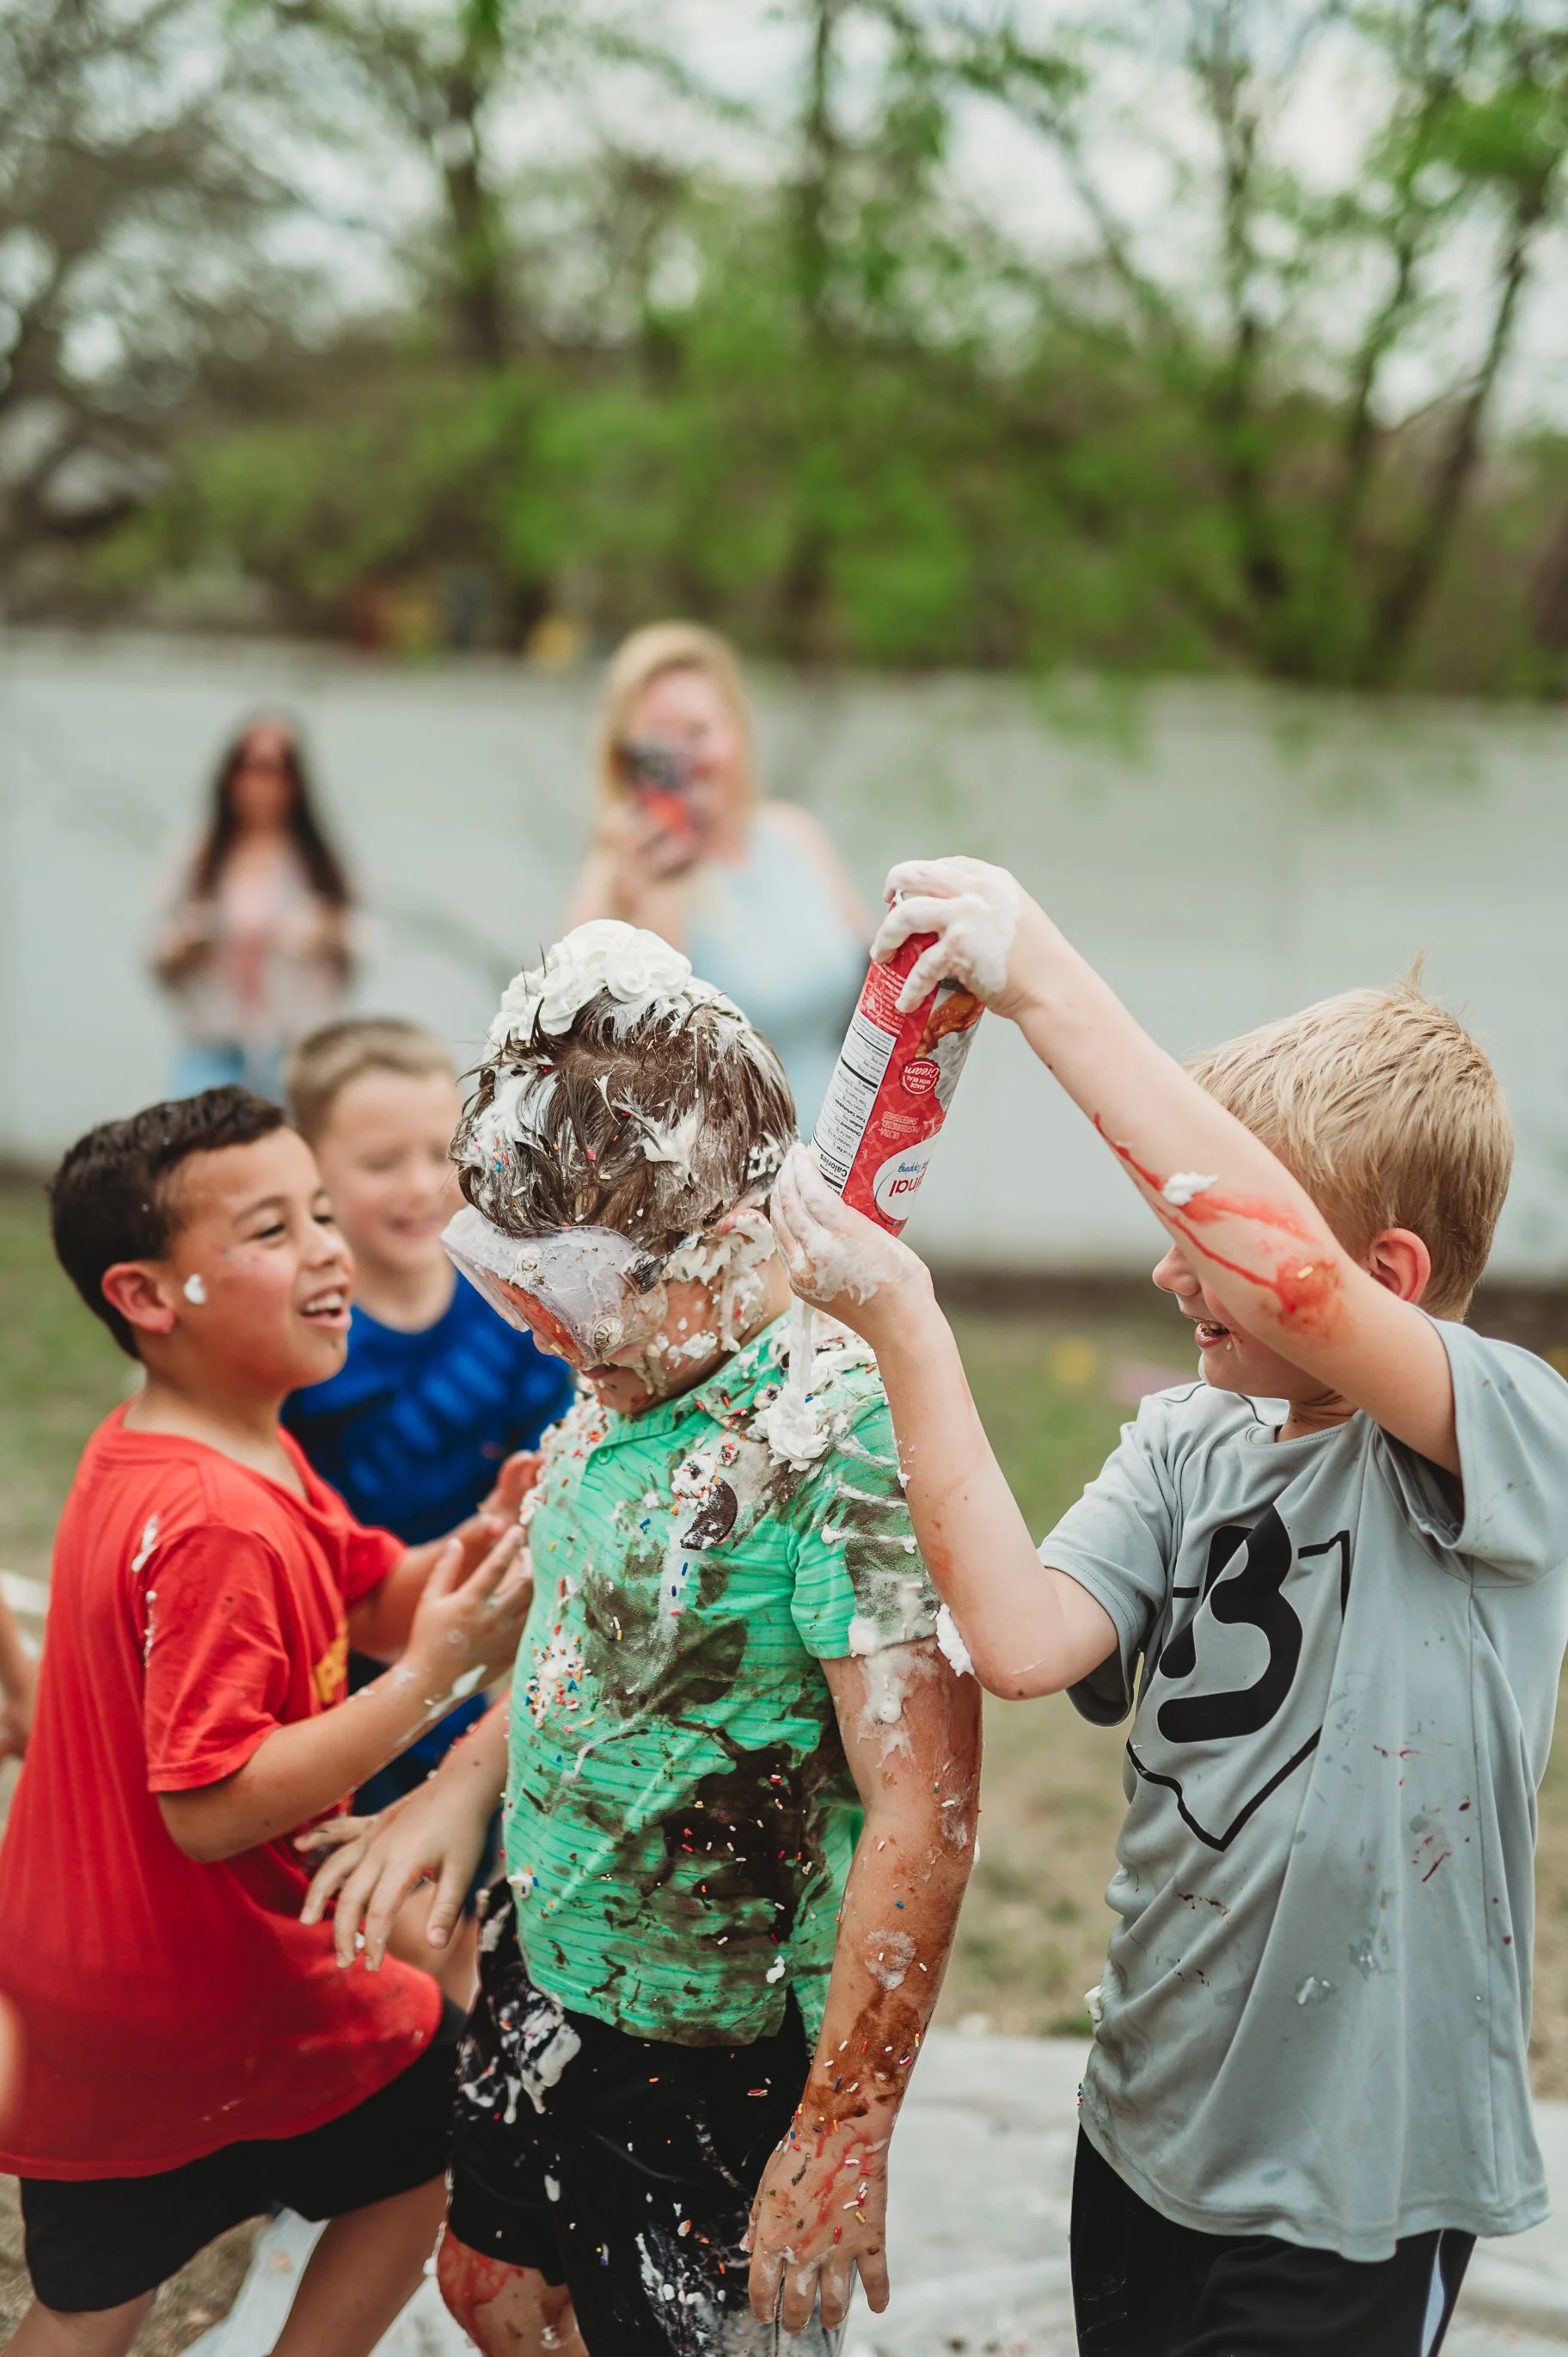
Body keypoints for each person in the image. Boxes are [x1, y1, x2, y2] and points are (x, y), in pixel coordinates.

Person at [768, 855, 1568, 2357]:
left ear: (1380, 1270)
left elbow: (1305, 1298)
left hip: (1350, 2184)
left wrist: (1039, 974)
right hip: (1141, 2125)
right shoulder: (1184, 1441)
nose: (1161, 1264)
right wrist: (901, 1319)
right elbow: (1017, 1638)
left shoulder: (1504, 1437)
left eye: (1201, 1242)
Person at [300, 919, 981, 2356]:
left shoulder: (838, 1439)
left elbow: (925, 1805)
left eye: (569, 1297)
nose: (542, 1337)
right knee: (487, 2290)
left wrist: (842, 2130)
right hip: (537, 1960)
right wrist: (458, 1787)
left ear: (723, 1243)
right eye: (514, 1286)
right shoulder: (623, 1375)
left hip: (721, 2052)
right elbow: (576, 1641)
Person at [0, 1087, 532, 2357]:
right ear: (144, 1295)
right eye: (271, 1230)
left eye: (324, 1213)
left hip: (88, 1977)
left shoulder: (202, 1446)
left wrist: (478, 1555)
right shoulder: (216, 1520)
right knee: (443, 2120)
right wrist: (437, 1677)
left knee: (85, 2305)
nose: (331, 1250)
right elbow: (214, 1804)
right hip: (205, 1976)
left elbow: (376, 1595)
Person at [282, 1017, 574, 1992]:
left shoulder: (504, 1307)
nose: (416, 1183)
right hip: (347, 1670)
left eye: (435, 1153)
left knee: (471, 1895)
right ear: (308, 1167)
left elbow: (557, 1455)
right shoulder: (298, 1341)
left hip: (488, 1659)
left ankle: (458, 2086)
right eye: (378, 1161)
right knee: (376, 1908)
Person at [565, 621, 869, 1132]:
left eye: (697, 734)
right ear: (627, 759)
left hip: (845, 1168)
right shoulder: (623, 873)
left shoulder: (794, 836)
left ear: (737, 733)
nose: (684, 759)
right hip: (725, 1190)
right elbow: (635, 1060)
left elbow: (875, 991)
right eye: (658, 744)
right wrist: (644, 891)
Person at [150, 715, 353, 1102]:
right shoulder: (195, 855)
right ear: (228, 776)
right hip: (212, 1042)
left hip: (296, 1046)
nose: (259, 783)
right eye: (247, 766)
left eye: (275, 769)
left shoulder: (320, 860)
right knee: (202, 1152)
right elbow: (154, 952)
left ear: (296, 781)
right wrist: (186, 944)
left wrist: (327, 931)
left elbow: (365, 941)